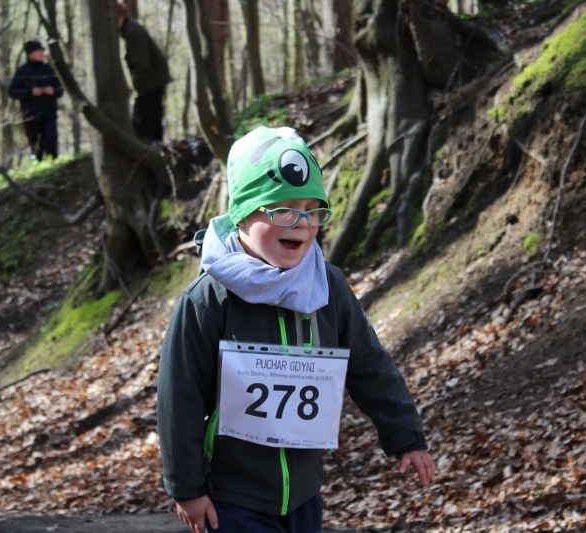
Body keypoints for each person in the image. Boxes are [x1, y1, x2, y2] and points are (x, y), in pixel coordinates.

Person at [157, 126, 436, 533]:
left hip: (304, 495)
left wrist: (405, 436)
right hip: (232, 497)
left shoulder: (326, 285)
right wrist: (186, 487)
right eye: (283, 209)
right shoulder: (209, 299)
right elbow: (178, 395)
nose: (302, 223)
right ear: (243, 213)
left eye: (312, 209)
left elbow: (369, 363)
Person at [117, 2, 172, 145]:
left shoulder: (132, 32)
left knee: (145, 125)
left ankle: (153, 151)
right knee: (150, 122)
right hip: (150, 83)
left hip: (150, 83)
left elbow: (141, 63)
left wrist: (137, 87)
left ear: (120, 16)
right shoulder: (129, 30)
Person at [8, 40, 63, 161]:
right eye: (39, 51)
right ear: (30, 54)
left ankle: (52, 161)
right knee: (35, 142)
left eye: (42, 50)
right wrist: (30, 92)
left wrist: (53, 91)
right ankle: (37, 162)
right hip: (30, 114)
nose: (42, 53)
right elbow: (12, 91)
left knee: (50, 138)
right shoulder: (22, 71)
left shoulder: (49, 69)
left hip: (49, 112)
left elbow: (60, 89)